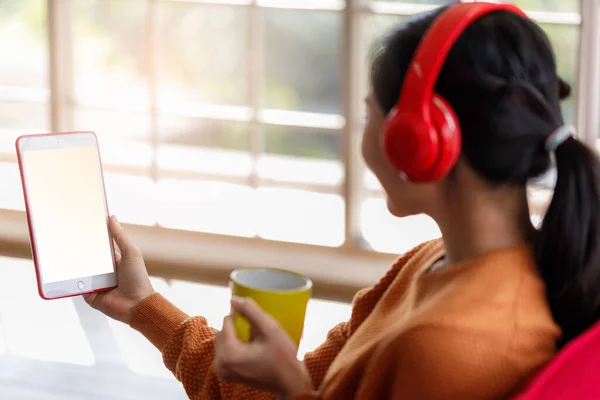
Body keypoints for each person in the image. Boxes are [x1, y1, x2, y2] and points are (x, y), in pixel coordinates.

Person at [85, 3, 600, 399]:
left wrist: (293, 389)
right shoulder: (429, 262)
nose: (364, 131)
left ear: (418, 139)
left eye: (370, 112)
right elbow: (282, 389)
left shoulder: (449, 347)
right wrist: (143, 307)